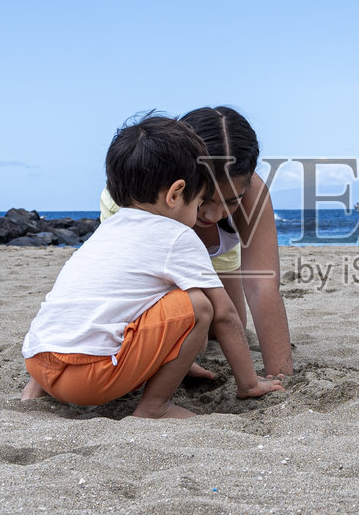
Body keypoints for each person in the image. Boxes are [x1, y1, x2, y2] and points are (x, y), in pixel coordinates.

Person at [21, 114, 283, 419]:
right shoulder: (179, 237)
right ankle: (155, 406)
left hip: (39, 363)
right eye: (200, 200)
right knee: (200, 305)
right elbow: (225, 315)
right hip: (87, 381)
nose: (207, 214)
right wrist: (249, 384)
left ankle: (36, 390)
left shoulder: (109, 229)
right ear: (176, 194)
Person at [99, 106, 294, 379]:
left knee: (228, 326)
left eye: (232, 201)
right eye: (206, 199)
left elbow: (262, 286)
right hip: (150, 258)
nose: (214, 215)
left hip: (217, 255)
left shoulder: (252, 193)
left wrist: (281, 376)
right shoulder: (143, 200)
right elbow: (121, 289)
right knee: (193, 329)